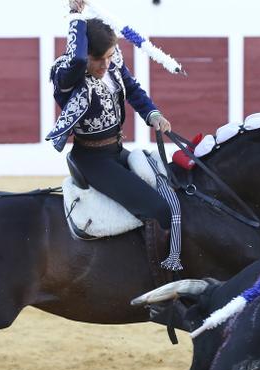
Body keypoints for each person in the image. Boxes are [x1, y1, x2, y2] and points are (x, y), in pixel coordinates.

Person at [47, 0, 173, 233]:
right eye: (98, 59)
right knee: (159, 210)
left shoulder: (113, 62)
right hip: (92, 161)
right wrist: (76, 16)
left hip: (115, 151)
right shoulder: (66, 73)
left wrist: (152, 113)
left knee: (171, 187)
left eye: (109, 56)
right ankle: (163, 268)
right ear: (85, 54)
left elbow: (132, 89)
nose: (105, 64)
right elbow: (76, 59)